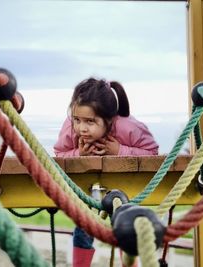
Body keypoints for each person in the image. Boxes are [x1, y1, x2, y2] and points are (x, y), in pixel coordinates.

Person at [53, 77, 159, 266]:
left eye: (90, 121)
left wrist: (120, 150)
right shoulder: (71, 128)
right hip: (88, 189)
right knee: (84, 226)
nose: (82, 128)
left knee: (125, 226)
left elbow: (152, 152)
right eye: (77, 120)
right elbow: (59, 153)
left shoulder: (127, 127)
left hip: (123, 188)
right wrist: (79, 153)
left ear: (109, 120)